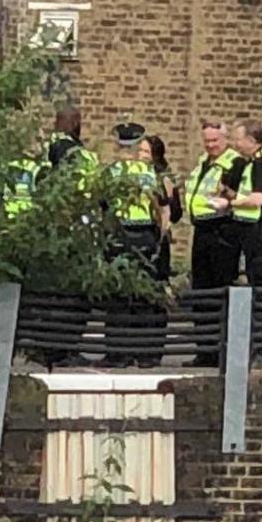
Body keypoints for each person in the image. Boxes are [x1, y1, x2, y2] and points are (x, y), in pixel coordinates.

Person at [106, 122, 166, 367]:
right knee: (144, 294)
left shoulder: (112, 172)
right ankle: (146, 353)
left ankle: (118, 353)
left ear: (119, 144)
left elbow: (103, 204)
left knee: (119, 294)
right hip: (145, 235)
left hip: (120, 233)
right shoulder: (150, 172)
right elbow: (160, 206)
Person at [213, 120, 262, 287]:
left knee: (261, 279)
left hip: (261, 230)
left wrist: (228, 204)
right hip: (254, 229)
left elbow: (256, 200)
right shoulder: (252, 162)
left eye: (239, 139)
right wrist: (229, 194)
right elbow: (248, 194)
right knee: (253, 276)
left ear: (251, 140)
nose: (236, 145)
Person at [185, 122, 241, 290]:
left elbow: (239, 196)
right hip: (201, 227)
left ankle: (217, 316)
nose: (210, 145)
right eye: (206, 141)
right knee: (200, 280)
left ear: (225, 139)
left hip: (222, 229)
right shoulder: (204, 161)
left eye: (214, 140)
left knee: (219, 281)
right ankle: (201, 316)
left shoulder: (235, 163)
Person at [139, 135, 182, 280]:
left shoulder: (163, 177)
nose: (142, 155)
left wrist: (169, 198)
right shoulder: (135, 174)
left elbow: (176, 213)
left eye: (146, 152)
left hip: (157, 234)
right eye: (140, 151)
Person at [45, 105, 99, 172]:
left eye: (57, 120)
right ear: (74, 123)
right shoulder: (62, 146)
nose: (55, 123)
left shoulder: (52, 144)